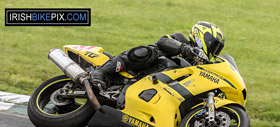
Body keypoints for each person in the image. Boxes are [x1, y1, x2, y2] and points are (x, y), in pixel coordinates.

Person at [90, 21, 225, 89]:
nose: (214, 51)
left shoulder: (196, 64)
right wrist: (185, 49)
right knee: (148, 53)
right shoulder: (180, 39)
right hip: (140, 67)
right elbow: (163, 40)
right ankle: (101, 72)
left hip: (151, 84)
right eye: (214, 45)